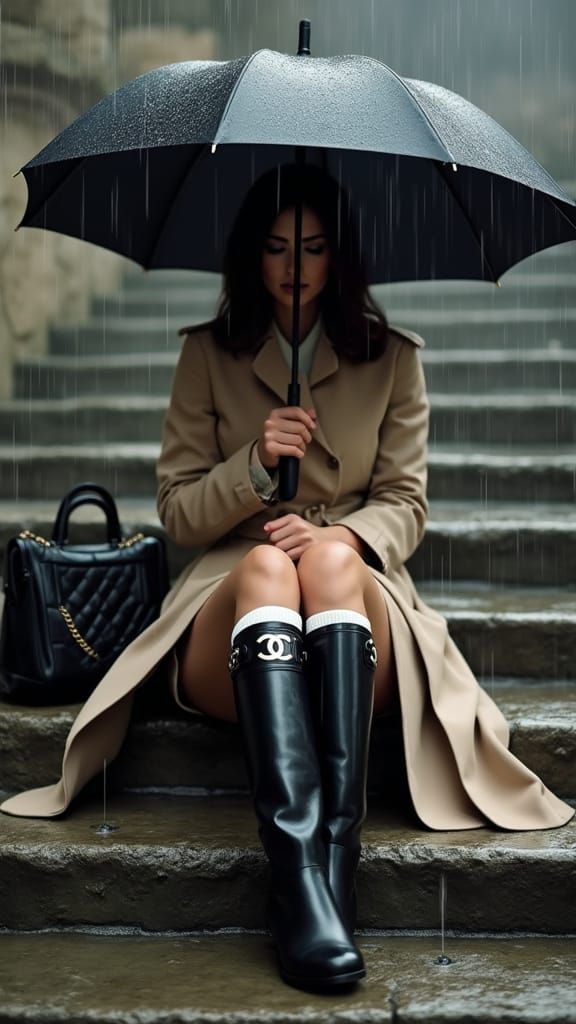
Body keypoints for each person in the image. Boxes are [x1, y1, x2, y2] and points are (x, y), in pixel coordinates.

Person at [1, 163, 573, 993]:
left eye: (311, 246)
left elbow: (406, 507)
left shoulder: (393, 360)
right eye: (275, 247)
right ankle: (301, 872)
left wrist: (334, 533)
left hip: (353, 597)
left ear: (338, 254)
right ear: (250, 256)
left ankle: (325, 875)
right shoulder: (207, 354)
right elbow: (180, 514)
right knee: (268, 561)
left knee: (330, 556)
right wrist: (253, 461)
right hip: (231, 604)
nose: (294, 265)